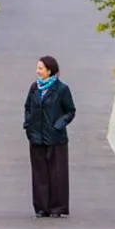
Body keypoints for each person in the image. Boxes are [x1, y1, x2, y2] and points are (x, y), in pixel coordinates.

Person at [22, 55, 76, 217]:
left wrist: (57, 126)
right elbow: (28, 107)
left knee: (57, 173)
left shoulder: (62, 89)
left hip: (56, 139)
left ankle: (57, 207)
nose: (37, 71)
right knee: (39, 173)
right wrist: (28, 124)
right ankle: (41, 207)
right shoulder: (34, 88)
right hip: (36, 137)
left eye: (40, 68)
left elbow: (70, 111)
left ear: (49, 70)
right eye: (37, 68)